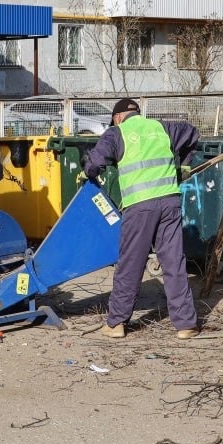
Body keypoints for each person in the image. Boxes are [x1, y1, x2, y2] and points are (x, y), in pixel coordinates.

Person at [82, 97, 202, 340]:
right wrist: (185, 167)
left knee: (130, 264)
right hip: (170, 201)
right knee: (174, 263)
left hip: (140, 206)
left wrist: (88, 172)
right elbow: (193, 134)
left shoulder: (116, 133)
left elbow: (95, 162)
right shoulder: (163, 128)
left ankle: (116, 323)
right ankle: (186, 325)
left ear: (117, 117)